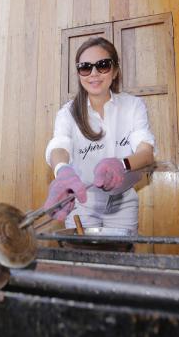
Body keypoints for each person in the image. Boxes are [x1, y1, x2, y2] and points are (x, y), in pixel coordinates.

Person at [44, 37, 155, 233]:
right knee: (82, 253)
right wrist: (62, 170)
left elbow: (146, 153)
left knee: (121, 253)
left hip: (123, 203)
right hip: (82, 203)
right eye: (85, 67)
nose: (94, 73)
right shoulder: (67, 113)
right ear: (79, 73)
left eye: (103, 65)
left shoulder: (133, 106)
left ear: (115, 70)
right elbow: (60, 146)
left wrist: (122, 164)